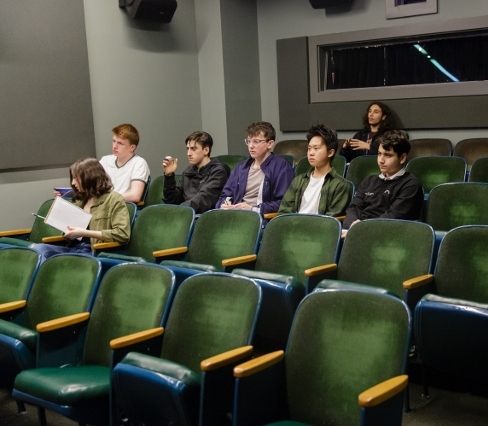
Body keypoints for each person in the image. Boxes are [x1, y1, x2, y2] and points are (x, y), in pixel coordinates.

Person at [32, 157, 131, 260]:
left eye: (76, 178)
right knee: (37, 250)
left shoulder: (114, 199)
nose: (73, 183)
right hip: (73, 247)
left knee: (64, 262)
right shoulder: (80, 199)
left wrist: (84, 233)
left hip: (93, 251)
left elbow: (122, 234)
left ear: (89, 177)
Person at [342, 130, 423, 238]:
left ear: (402, 158)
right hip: (357, 233)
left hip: (388, 238)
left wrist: (360, 229)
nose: (381, 160)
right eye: (379, 154)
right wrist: (351, 227)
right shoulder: (369, 181)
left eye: (388, 155)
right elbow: (354, 208)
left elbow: (392, 217)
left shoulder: (411, 185)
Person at [215, 121, 294, 215]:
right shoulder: (241, 167)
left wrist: (253, 209)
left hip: (259, 218)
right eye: (248, 141)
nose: (251, 146)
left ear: (270, 144)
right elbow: (224, 196)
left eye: (256, 141)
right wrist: (224, 204)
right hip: (235, 215)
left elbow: (284, 203)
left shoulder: (281, 166)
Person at [278, 124, 352, 216]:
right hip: (294, 228)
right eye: (309, 149)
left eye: (316, 148)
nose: (311, 153)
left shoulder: (341, 185)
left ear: (330, 152)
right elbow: (284, 211)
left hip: (319, 229)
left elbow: (330, 220)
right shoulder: (299, 180)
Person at [162, 131, 230, 213]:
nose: (188, 153)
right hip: (185, 214)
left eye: (193, 148)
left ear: (206, 150)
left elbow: (203, 199)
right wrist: (169, 176)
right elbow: (172, 201)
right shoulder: (188, 171)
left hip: (204, 218)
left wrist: (178, 211)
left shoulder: (219, 171)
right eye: (188, 148)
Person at [99, 123, 150, 203]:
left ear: (132, 147)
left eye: (120, 143)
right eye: (114, 141)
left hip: (122, 207)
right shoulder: (105, 160)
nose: (114, 146)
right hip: (102, 204)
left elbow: (135, 195)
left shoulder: (139, 163)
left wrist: (106, 198)